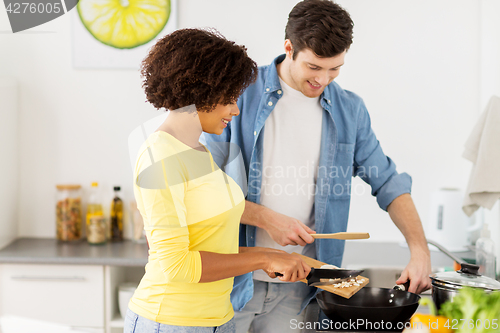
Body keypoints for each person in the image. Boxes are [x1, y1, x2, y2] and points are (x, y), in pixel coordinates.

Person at [203, 1, 433, 332]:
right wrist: (268, 220)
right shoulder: (239, 92)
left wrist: (419, 251)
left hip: (304, 286)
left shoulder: (349, 109)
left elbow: (388, 182)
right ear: (288, 48)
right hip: (232, 279)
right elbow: (205, 186)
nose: (323, 79)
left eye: (335, 68)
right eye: (314, 67)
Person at [125, 28, 311, 333]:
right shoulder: (160, 155)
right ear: (200, 90)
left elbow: (210, 243)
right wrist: (264, 259)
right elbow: (178, 265)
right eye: (229, 98)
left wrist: (274, 254)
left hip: (217, 321)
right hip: (171, 322)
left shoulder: (198, 151)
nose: (235, 109)